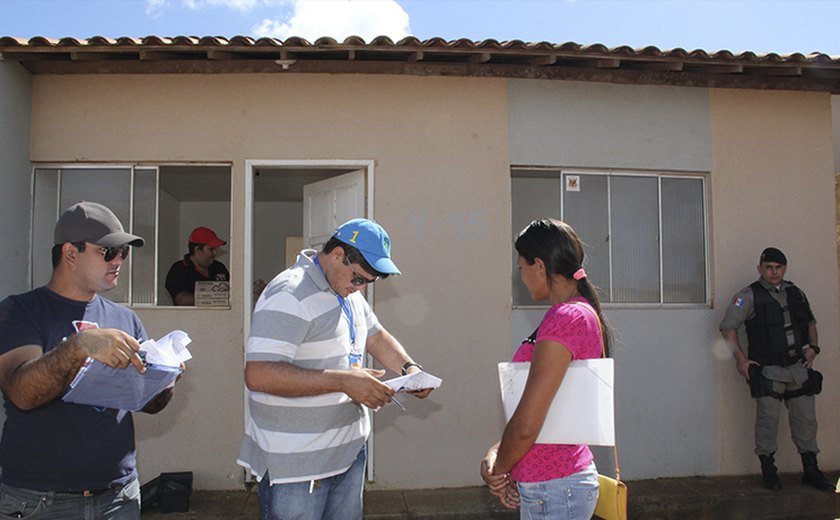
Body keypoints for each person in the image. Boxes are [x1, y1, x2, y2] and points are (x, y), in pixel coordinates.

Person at [237, 218, 433, 520]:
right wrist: (344, 381)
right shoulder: (289, 294)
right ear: (338, 254)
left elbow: (375, 336)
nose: (361, 289)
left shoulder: (347, 291)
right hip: (298, 468)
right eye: (358, 279)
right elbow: (258, 374)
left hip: (347, 455)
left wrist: (409, 367)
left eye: (369, 282)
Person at [0, 201, 181, 519]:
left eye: (123, 253)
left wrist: (166, 380)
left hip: (118, 496)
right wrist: (79, 346)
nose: (119, 261)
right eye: (108, 251)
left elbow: (146, 403)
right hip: (39, 500)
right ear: (70, 253)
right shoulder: (20, 311)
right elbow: (21, 393)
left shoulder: (125, 319)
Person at [481, 218, 611, 519]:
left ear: (539, 266)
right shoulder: (568, 315)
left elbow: (528, 425)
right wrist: (501, 457)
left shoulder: (566, 318)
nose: (522, 277)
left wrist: (497, 471)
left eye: (521, 268)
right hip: (551, 485)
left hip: (556, 488)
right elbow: (543, 413)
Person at [720, 247, 833, 492]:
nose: (774, 272)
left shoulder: (796, 293)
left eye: (778, 267)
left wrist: (813, 348)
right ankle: (769, 472)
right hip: (768, 370)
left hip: (797, 368)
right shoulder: (748, 296)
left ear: (785, 268)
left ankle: (811, 470)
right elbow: (728, 327)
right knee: (767, 421)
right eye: (769, 267)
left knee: (806, 421)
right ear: (760, 268)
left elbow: (810, 323)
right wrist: (741, 360)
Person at [165, 226, 230, 305]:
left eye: (216, 249)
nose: (215, 253)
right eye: (211, 249)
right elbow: (181, 299)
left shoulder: (219, 267)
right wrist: (214, 297)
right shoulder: (179, 269)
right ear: (197, 250)